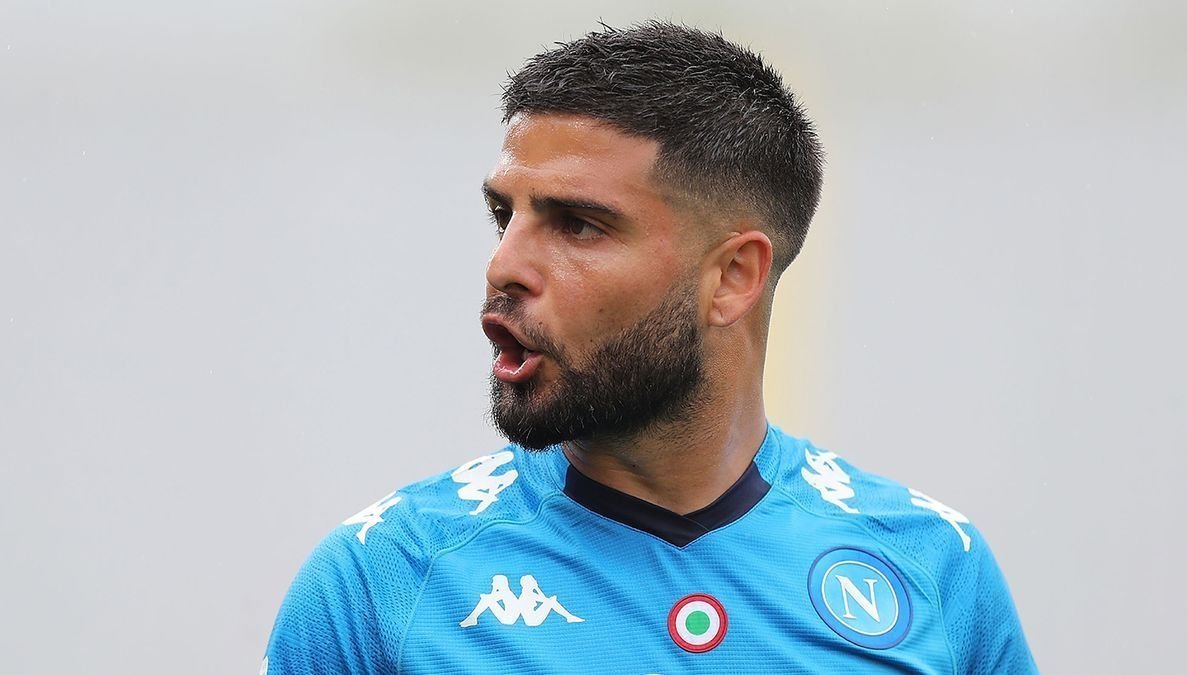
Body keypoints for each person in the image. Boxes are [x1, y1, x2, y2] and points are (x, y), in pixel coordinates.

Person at [262, 21, 1037, 674]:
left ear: (733, 277)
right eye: (506, 216)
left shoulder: (934, 570)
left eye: (577, 225)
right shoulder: (380, 584)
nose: (504, 265)